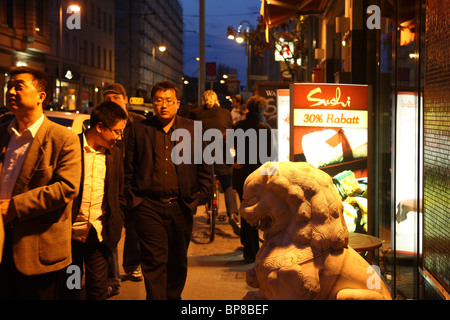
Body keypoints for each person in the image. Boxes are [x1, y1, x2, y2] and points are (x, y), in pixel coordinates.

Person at [124, 80, 213, 300]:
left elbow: (204, 167)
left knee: (177, 260)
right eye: (158, 101)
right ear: (152, 104)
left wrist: (199, 197)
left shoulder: (193, 129)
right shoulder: (138, 129)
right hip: (148, 205)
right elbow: (128, 169)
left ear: (177, 103)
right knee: (153, 261)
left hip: (181, 205)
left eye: (168, 101)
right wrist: (133, 200)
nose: (163, 105)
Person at [0, 66, 82, 299]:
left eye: (19, 86)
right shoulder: (2, 134)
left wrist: (14, 207)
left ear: (41, 96)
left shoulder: (63, 138)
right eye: (9, 86)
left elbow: (66, 187)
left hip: (37, 250)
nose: (11, 91)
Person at [70, 101, 127, 300]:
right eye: (117, 132)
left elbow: (120, 194)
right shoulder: (71, 146)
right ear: (100, 127)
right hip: (71, 236)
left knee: (97, 290)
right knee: (72, 287)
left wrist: (117, 220)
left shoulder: (115, 154)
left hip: (99, 235)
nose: (119, 137)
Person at [102, 83, 145, 296]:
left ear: (125, 99)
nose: (111, 102)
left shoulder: (139, 123)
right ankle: (111, 278)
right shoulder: (99, 123)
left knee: (134, 230)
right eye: (107, 98)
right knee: (110, 229)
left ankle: (132, 264)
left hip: (135, 184)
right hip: (110, 183)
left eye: (115, 98)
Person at [189, 90, 240, 235]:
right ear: (217, 99)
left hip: (203, 156)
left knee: (200, 182)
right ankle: (233, 215)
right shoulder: (225, 113)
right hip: (222, 155)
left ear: (203, 99)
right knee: (228, 186)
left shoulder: (195, 113)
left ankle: (192, 211)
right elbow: (229, 134)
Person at [232, 95, 273, 263]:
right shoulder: (265, 128)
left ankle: (248, 249)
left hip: (242, 175)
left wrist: (234, 162)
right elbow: (270, 155)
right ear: (262, 109)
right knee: (260, 211)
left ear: (248, 108)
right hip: (259, 177)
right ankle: (258, 250)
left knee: (245, 210)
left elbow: (227, 147)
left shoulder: (239, 126)